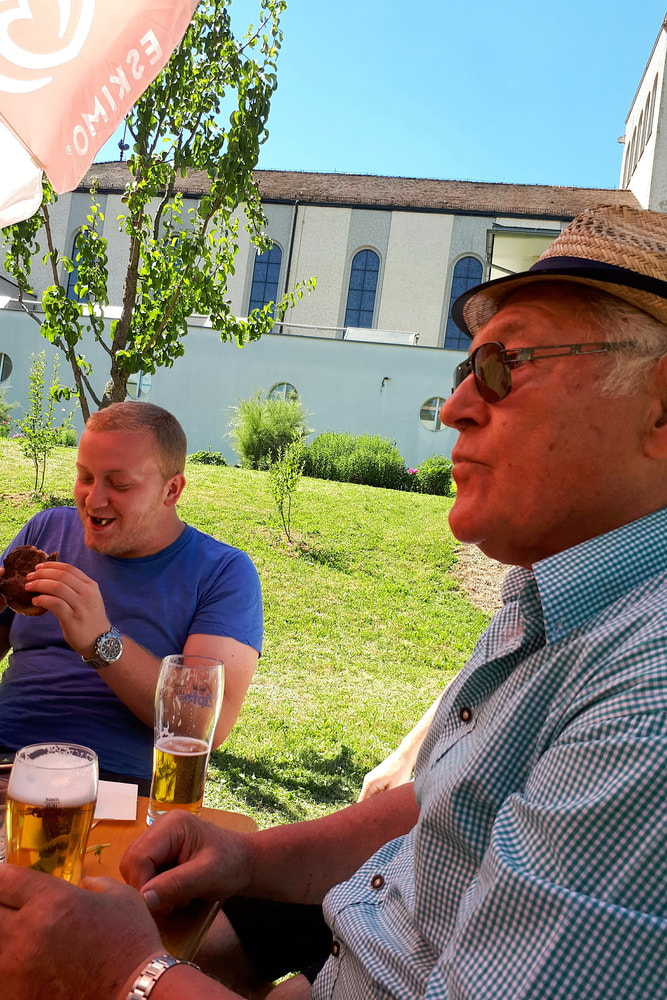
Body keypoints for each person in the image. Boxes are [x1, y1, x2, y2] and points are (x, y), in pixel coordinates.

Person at [1, 202, 667, 1000]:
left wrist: (128, 974)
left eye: (504, 364)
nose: (453, 407)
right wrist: (247, 858)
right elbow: (434, 807)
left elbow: (203, 726)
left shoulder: (646, 698)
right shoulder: (553, 605)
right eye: (463, 371)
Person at [0, 401, 262, 790]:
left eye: (119, 485)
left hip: (115, 785)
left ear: (171, 490)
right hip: (8, 761)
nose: (93, 500)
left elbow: (203, 725)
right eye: (85, 477)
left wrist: (101, 641)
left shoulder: (222, 573)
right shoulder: (47, 529)